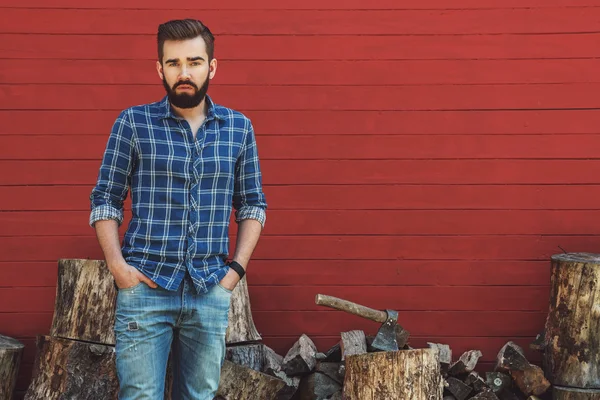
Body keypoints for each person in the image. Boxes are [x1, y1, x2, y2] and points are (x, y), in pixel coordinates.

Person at [89, 18, 267, 399]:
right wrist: (119, 270)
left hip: (209, 291)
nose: (184, 73)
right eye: (173, 63)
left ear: (211, 66)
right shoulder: (133, 123)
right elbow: (105, 198)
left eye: (194, 62)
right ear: (160, 68)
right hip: (146, 289)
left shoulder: (239, 128)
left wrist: (232, 275)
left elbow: (253, 205)